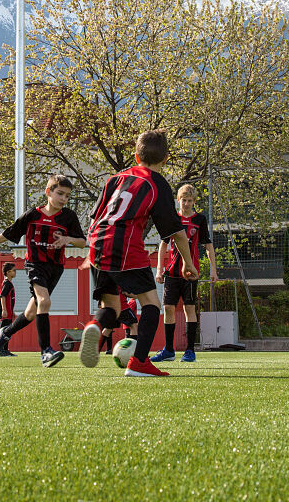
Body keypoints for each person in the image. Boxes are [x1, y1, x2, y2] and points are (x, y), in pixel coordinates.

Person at [77, 130, 199, 377]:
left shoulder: (115, 179)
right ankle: (139, 362)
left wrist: (92, 251)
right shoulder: (157, 184)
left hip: (98, 242)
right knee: (152, 303)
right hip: (126, 245)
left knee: (112, 306)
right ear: (165, 159)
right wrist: (188, 263)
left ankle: (96, 324)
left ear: (135, 156)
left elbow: (95, 216)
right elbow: (177, 233)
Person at [0, 174, 86, 367]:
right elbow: (9, 233)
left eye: (67, 196)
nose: (63, 199)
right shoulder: (32, 215)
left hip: (55, 268)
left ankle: (5, 334)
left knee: (32, 312)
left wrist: (68, 239)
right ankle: (46, 352)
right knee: (44, 301)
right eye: (60, 193)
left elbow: (82, 242)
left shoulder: (69, 217)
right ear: (48, 192)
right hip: (35, 265)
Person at [152, 183, 219, 363]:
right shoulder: (173, 219)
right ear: (178, 200)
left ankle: (190, 351)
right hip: (172, 272)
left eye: (190, 200)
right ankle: (168, 350)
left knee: (189, 308)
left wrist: (213, 269)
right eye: (184, 200)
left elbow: (208, 245)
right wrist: (159, 270)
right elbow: (163, 244)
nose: (187, 204)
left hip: (191, 272)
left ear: (194, 201)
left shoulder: (200, 220)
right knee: (168, 308)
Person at [0, 264, 18, 357]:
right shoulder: (7, 283)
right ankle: (0, 351)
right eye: (14, 270)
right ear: (8, 272)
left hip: (9, 313)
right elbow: (2, 296)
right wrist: (4, 309)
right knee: (3, 332)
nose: (15, 272)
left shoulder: (9, 283)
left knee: (7, 332)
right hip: (5, 314)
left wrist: (12, 311)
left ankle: (5, 350)